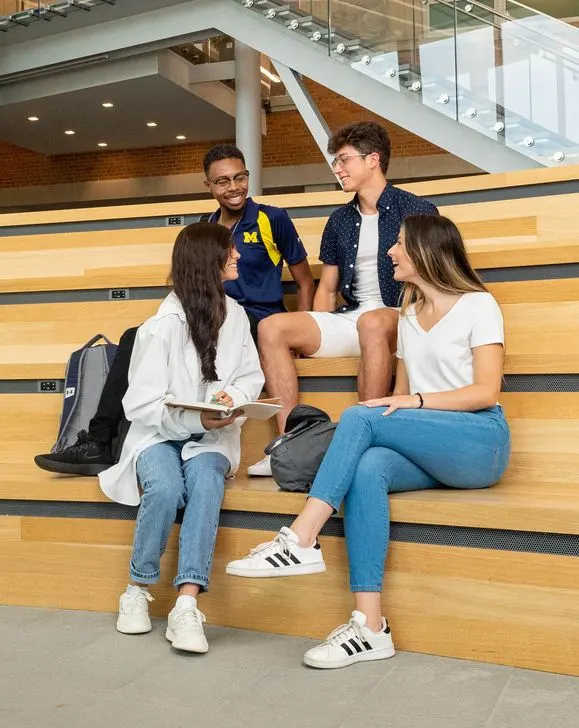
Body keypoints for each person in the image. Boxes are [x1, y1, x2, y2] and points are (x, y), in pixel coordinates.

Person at [226, 214, 511, 669]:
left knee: (362, 415)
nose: (391, 252)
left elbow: (485, 392)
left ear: (425, 251)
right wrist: (401, 401)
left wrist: (412, 401)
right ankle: (370, 625)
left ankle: (302, 537)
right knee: (366, 468)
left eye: (399, 245)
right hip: (429, 442)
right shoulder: (410, 311)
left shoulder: (479, 305)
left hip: (480, 441)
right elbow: (399, 390)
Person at [34, 144, 313, 476]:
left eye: (240, 177)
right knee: (133, 337)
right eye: (222, 181)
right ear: (207, 185)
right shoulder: (205, 224)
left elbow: (305, 282)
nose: (233, 186)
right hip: (209, 313)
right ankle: (100, 440)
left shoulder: (272, 218)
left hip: (252, 319)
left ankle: (115, 439)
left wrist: (294, 335)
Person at [100, 222, 264, 653]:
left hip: (211, 439)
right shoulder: (161, 326)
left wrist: (234, 396)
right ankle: (137, 588)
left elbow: (251, 375)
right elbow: (140, 406)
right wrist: (197, 421)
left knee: (207, 482)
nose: (238, 257)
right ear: (206, 262)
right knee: (166, 487)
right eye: (230, 252)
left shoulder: (238, 316)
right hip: (157, 436)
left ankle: (186, 604)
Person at [247, 121, 438, 477]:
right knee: (272, 326)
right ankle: (290, 446)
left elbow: (431, 280)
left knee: (372, 321)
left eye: (344, 160)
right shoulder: (339, 220)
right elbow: (328, 289)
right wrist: (314, 330)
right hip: (353, 317)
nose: (337, 169)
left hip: (400, 315)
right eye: (336, 161)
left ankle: (366, 436)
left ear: (373, 160)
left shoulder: (417, 210)